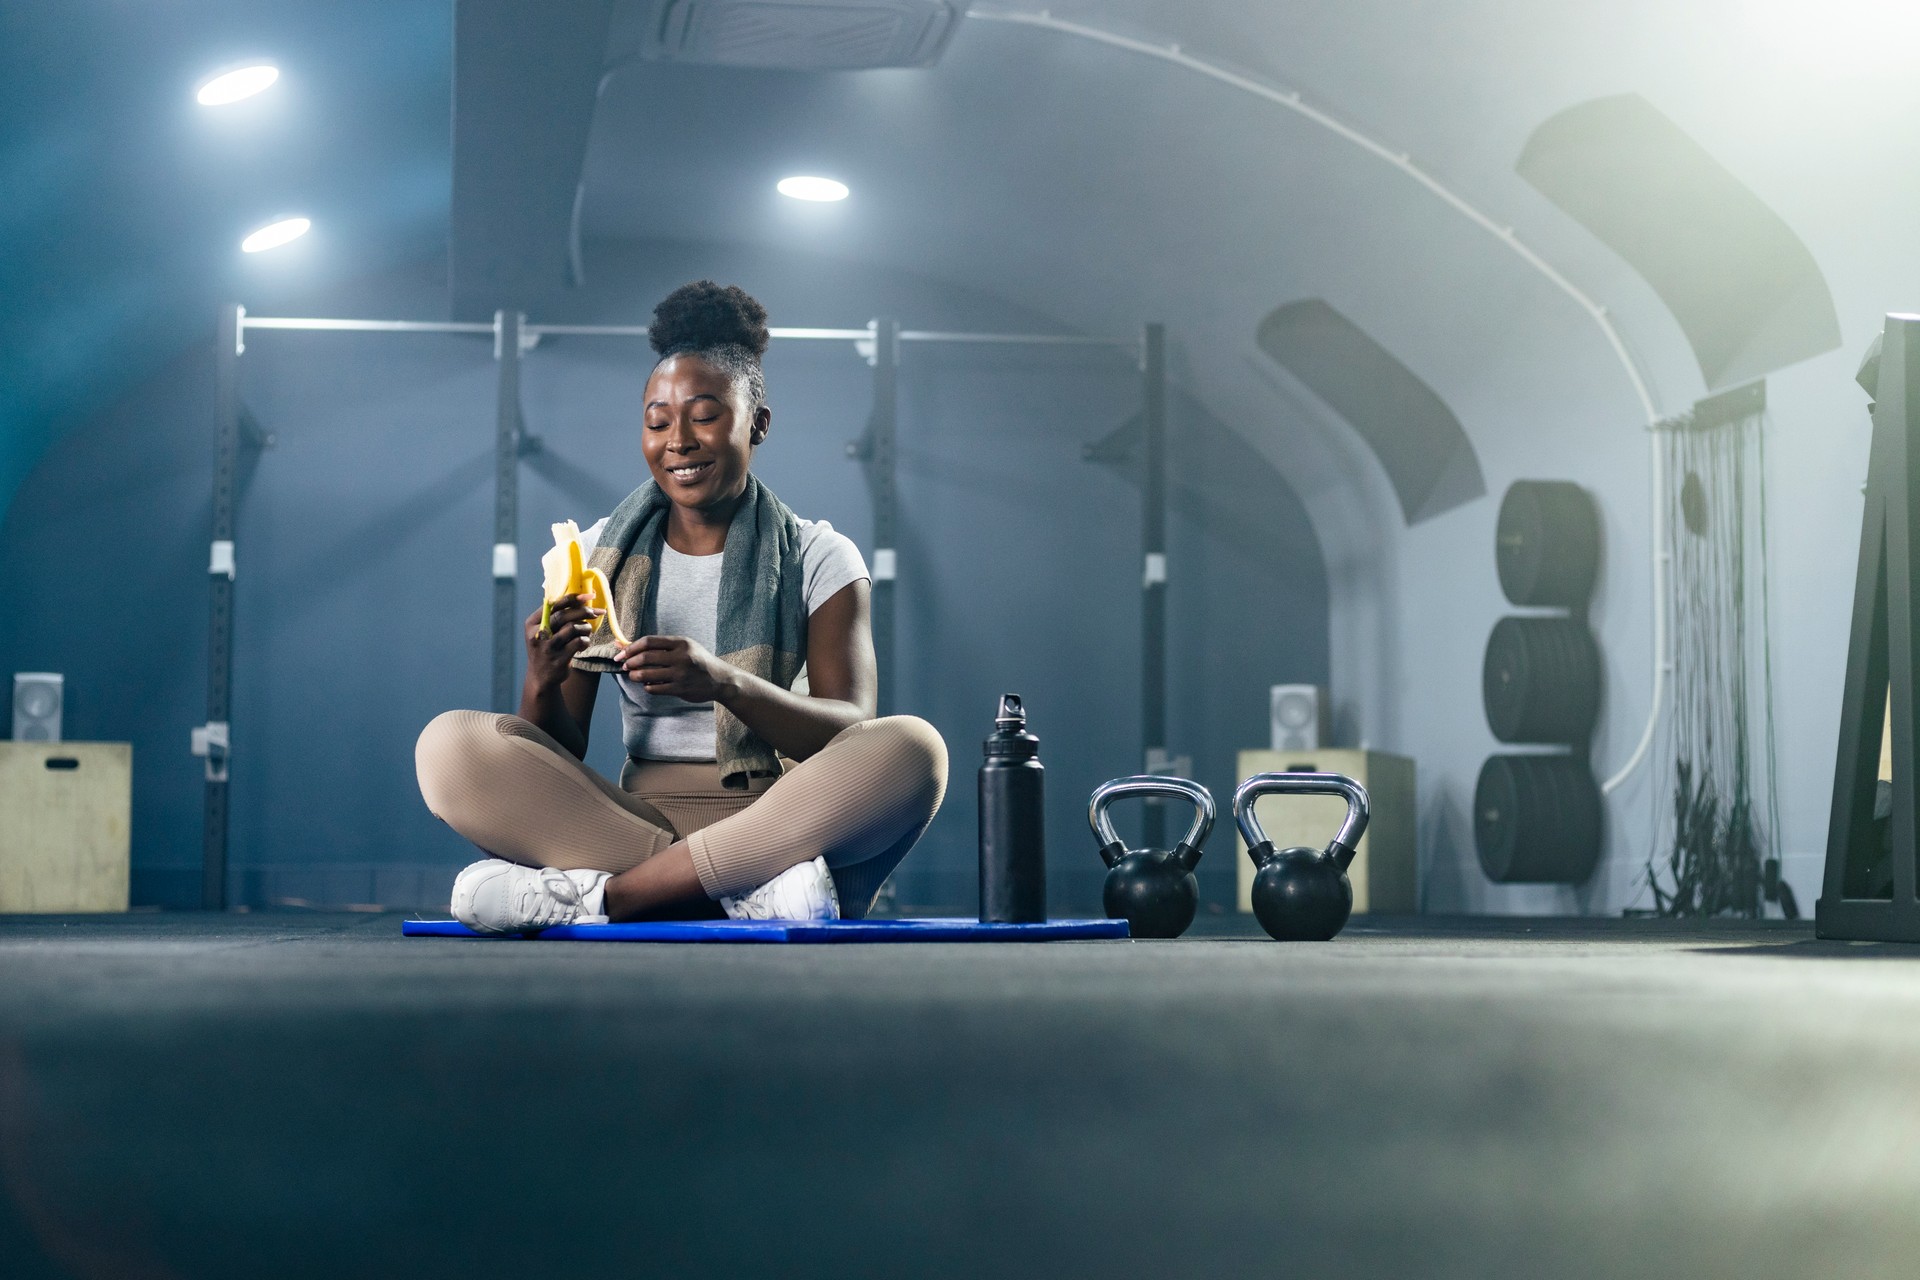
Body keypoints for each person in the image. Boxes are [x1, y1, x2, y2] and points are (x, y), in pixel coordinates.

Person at [414, 281, 948, 932]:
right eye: (658, 420)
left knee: (913, 748)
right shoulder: (590, 557)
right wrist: (541, 677)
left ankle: (607, 900)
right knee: (446, 747)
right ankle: (746, 892)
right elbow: (558, 750)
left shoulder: (819, 554)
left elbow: (846, 729)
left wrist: (724, 683)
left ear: (757, 423)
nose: (679, 440)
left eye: (703, 415)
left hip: (783, 814)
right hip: (630, 820)